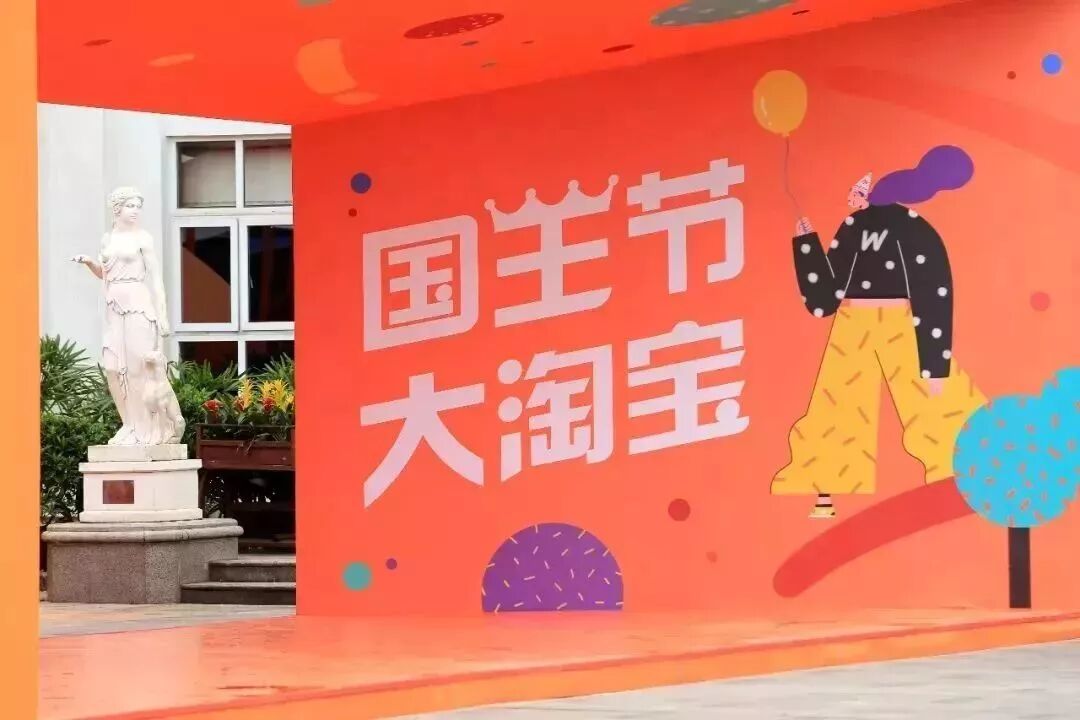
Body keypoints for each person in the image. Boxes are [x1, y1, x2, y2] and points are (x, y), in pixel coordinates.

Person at [771, 172, 986, 518]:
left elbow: (933, 292)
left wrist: (935, 363)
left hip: (901, 321)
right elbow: (825, 298)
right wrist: (806, 244)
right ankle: (825, 490)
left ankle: (962, 474)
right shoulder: (855, 226)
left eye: (859, 190)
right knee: (838, 401)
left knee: (933, 400)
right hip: (853, 321)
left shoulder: (914, 229)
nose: (853, 195)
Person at [71, 187, 183, 446]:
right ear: (117, 208)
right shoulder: (107, 239)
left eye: (137, 206)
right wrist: (90, 263)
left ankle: (149, 430)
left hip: (139, 306)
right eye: (130, 206)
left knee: (139, 368)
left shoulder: (143, 239)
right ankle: (129, 425)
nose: (135, 211)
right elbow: (106, 274)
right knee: (113, 368)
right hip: (114, 307)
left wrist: (163, 315)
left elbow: (156, 280)